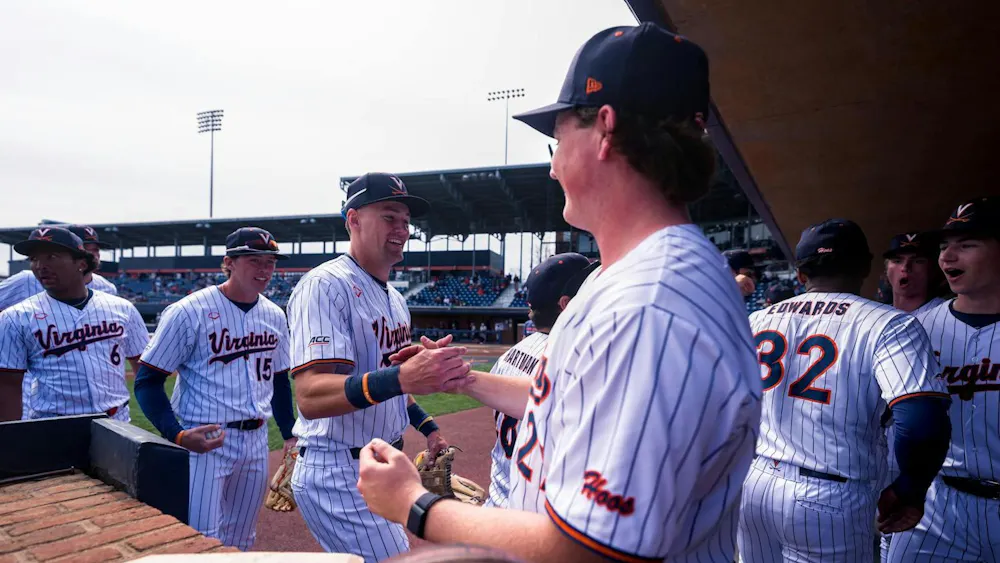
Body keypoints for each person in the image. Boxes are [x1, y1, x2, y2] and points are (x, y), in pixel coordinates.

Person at [355, 23, 762, 562]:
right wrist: (463, 377)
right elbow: (571, 404)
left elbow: (588, 551)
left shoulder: (650, 303)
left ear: (605, 129)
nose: (551, 164)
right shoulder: (626, 278)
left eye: (558, 137)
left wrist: (415, 504)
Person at [738, 219, 952, 563]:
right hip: (829, 494)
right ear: (867, 267)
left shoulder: (759, 319)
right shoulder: (889, 323)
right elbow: (921, 420)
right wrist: (911, 490)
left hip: (756, 483)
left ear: (801, 273)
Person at [286, 172, 469, 562]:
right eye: (389, 216)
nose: (402, 229)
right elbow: (311, 395)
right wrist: (403, 375)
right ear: (353, 220)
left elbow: (390, 386)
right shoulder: (326, 285)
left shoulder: (395, 298)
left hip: (377, 466)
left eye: (406, 220)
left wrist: (430, 429)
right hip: (339, 471)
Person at [133, 227, 296, 551]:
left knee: (242, 538)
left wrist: (289, 433)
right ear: (229, 263)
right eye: (254, 260)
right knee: (201, 536)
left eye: (270, 262)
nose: (264, 270)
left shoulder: (274, 315)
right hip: (203, 438)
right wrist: (177, 434)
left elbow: (279, 379)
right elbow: (147, 380)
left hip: (256, 441)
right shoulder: (187, 312)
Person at [887, 197, 1000, 562]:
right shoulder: (913, 330)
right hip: (936, 505)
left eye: (966, 245)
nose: (948, 257)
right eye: (944, 247)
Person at [0, 227, 148, 421]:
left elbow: (143, 366)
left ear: (81, 263)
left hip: (116, 419)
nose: (40, 266)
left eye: (51, 257)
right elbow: (7, 387)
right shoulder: (16, 313)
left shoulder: (120, 305)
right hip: (49, 420)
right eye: (34, 259)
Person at [483, 252, 593, 509]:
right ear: (566, 304)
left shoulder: (513, 352)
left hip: (497, 501)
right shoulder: (573, 362)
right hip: (532, 518)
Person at [882, 232, 947, 315]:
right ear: (886, 270)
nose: (905, 267)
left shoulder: (946, 313)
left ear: (933, 269)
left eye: (918, 261)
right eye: (897, 261)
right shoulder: (877, 316)